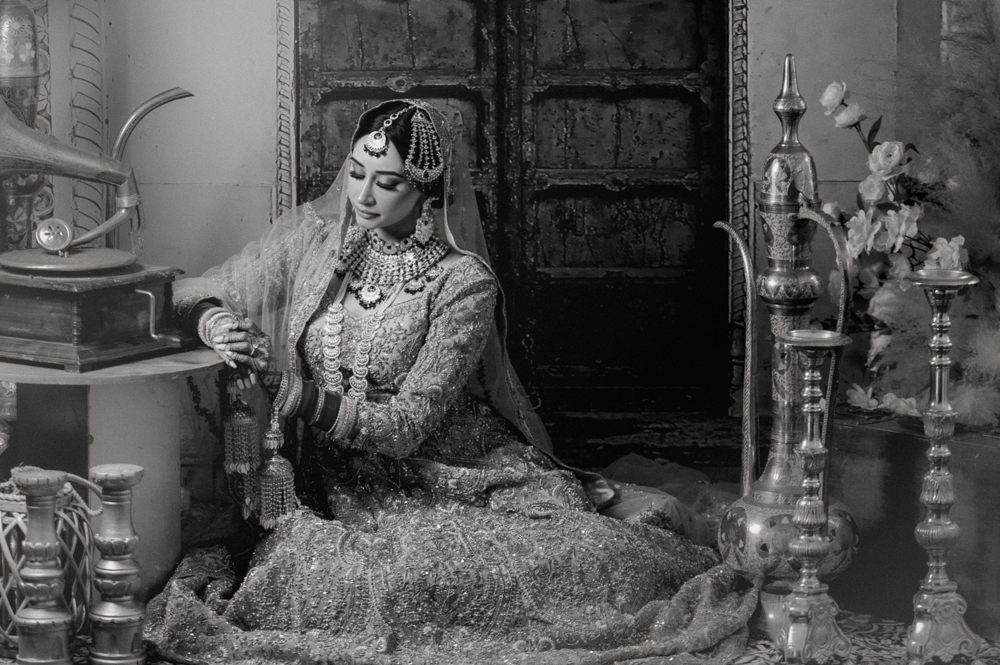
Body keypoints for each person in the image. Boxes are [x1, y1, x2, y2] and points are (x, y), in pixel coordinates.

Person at [146, 99, 756, 665]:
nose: (362, 194)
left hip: (452, 474)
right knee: (318, 578)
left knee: (562, 566)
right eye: (355, 173)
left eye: (387, 182)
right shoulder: (315, 242)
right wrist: (217, 321)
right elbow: (194, 288)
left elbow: (406, 428)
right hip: (333, 480)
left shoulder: (463, 284)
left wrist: (293, 393)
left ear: (427, 190)